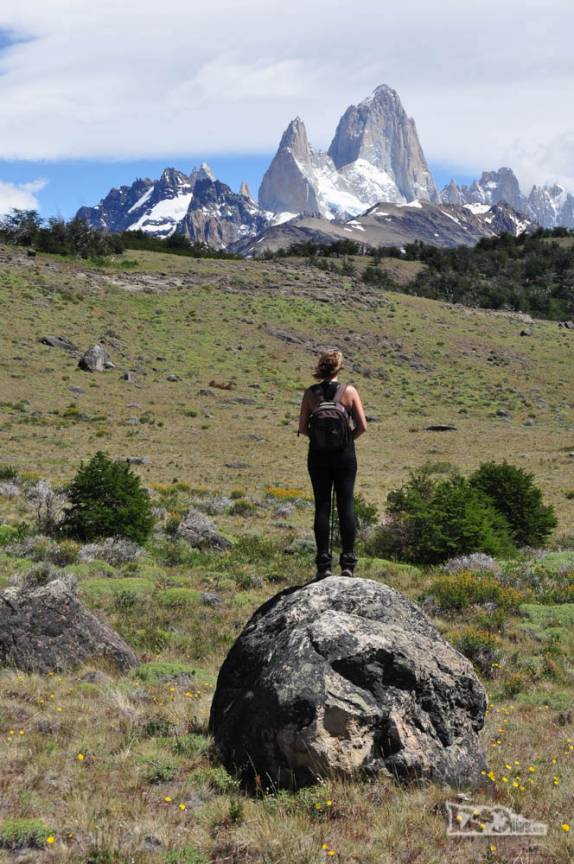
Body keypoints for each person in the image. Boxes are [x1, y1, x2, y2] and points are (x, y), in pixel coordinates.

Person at [298, 349, 367, 580]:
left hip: (318, 456)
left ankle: (323, 566)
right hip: (344, 456)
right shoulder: (349, 391)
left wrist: (320, 443)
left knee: (322, 506)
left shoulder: (310, 393)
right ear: (339, 368)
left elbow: (303, 428)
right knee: (346, 505)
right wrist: (346, 441)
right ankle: (348, 564)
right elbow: (362, 426)